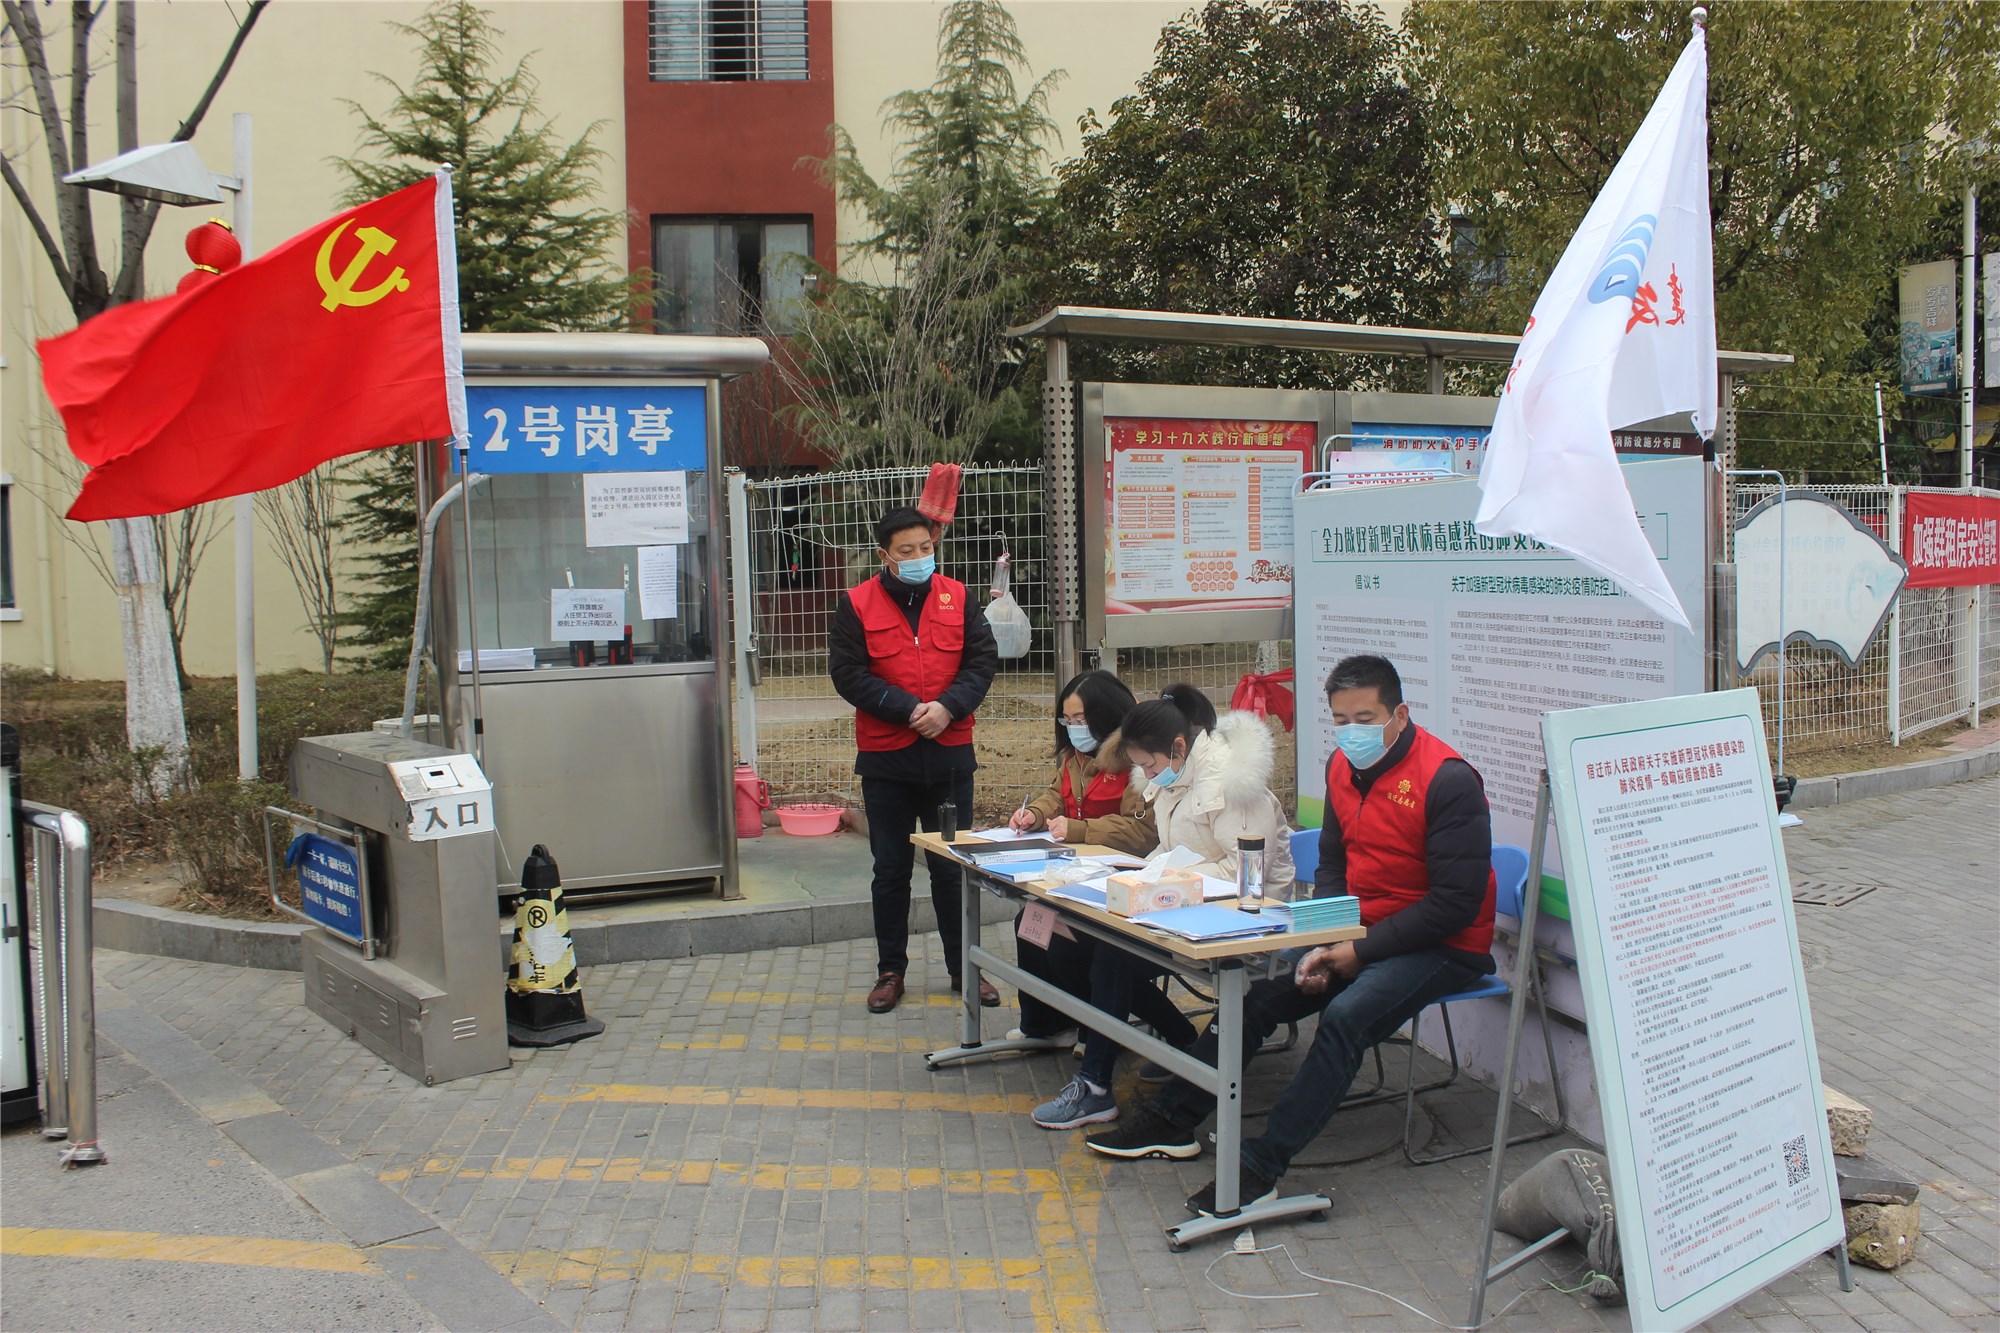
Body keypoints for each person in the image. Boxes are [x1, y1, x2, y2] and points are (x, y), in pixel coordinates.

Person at [1085, 654, 1496, 1219]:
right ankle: (1170, 1120)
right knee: (1257, 1001)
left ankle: (1260, 1167)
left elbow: (1455, 904)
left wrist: (1358, 951)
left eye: (1365, 719)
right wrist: (1323, 936)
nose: (1351, 732)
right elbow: (1333, 864)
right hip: (1359, 927)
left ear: (1399, 714)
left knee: (1345, 1019)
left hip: (1443, 945)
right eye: (1341, 720)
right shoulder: (1341, 767)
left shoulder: (1448, 780)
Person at [1031, 684, 1296, 1130]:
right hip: (1186, 906)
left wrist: (1166, 879)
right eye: (1140, 767)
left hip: (1243, 916)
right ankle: (1182, 1044)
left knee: (1111, 956)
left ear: (1178, 747)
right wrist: (1135, 876)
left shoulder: (1233, 784)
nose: (1147, 776)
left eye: (1150, 765)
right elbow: (1171, 851)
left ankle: (1096, 1086)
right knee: (1078, 941)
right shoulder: (1175, 777)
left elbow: (1246, 873)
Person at [828, 505, 999, 1015]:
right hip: (888, 761)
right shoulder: (856, 604)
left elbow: (981, 661)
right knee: (890, 870)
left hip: (950, 757)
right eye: (907, 551)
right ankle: (890, 972)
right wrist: (908, 710)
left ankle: (964, 968)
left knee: (952, 869)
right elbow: (848, 674)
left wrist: (948, 707)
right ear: (885, 556)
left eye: (926, 547)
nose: (920, 557)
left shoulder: (959, 597)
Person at [1002, 669, 1181, 1046]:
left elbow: (1141, 830)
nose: (1073, 729)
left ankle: (1092, 1029)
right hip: (1075, 877)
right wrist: (1034, 813)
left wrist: (1081, 829)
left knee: (1067, 941)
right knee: (1030, 920)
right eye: (1067, 721)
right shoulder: (1075, 757)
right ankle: (1045, 1024)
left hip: (1118, 884)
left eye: (1080, 720)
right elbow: (1057, 795)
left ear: (1104, 715)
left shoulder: (1137, 763)